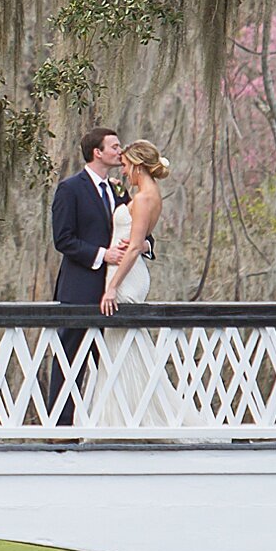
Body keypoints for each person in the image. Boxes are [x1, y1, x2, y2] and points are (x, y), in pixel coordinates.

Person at [91, 139, 177, 428]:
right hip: (129, 271)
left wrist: (113, 286)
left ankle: (123, 419)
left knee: (120, 345)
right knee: (124, 347)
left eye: (127, 166)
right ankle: (125, 414)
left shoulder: (142, 199)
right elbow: (139, 244)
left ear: (138, 165)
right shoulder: (149, 194)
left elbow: (134, 246)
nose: (124, 171)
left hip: (127, 278)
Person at [46, 126, 124, 425]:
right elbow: (63, 239)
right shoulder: (70, 189)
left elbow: (139, 230)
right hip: (79, 288)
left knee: (112, 359)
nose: (120, 151)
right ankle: (61, 428)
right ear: (98, 152)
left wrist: (141, 246)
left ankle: (110, 424)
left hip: (115, 291)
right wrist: (104, 254)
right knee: (69, 359)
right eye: (115, 146)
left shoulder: (118, 189)